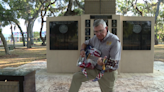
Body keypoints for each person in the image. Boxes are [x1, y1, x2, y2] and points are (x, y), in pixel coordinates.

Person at [69, 19, 121, 92]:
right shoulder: (95, 38)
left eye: (101, 31)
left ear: (106, 28)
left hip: (107, 72)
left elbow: (114, 62)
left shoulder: (114, 40)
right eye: (96, 32)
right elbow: (85, 43)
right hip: (95, 69)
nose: (98, 34)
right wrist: (82, 50)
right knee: (76, 77)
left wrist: (103, 62)